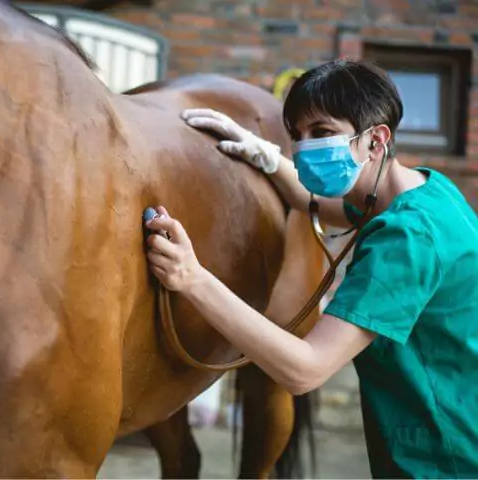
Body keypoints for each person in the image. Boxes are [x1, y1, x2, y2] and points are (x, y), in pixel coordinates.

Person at [144, 59, 478, 478]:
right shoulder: (427, 190)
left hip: (446, 458)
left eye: (322, 133)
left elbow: (305, 369)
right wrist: (265, 156)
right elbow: (329, 206)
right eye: (296, 137)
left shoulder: (408, 241)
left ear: (376, 141)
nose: (305, 149)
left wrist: (193, 280)